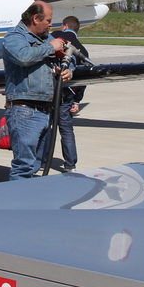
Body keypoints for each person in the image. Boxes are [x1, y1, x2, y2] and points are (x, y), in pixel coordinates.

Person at [2, 0, 71, 180]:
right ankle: (19, 197)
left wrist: (67, 71)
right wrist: (51, 47)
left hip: (45, 110)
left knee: (36, 165)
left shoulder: (45, 39)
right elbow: (23, 57)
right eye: (48, 20)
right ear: (35, 18)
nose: (51, 24)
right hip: (25, 111)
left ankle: (30, 195)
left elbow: (65, 57)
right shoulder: (14, 37)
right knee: (24, 166)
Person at [51, 16, 89, 173]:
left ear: (65, 26)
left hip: (50, 89)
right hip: (67, 93)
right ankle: (70, 164)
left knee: (45, 127)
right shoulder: (82, 50)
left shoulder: (54, 37)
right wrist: (77, 100)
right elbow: (84, 78)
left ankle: (40, 160)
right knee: (66, 130)